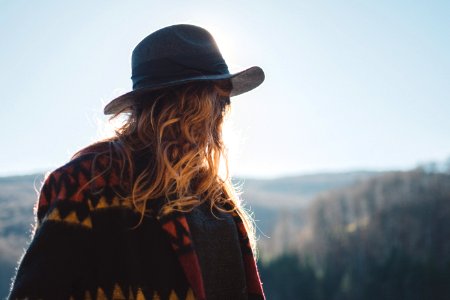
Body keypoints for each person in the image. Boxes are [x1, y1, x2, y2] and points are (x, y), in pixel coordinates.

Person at [8, 24, 265, 300]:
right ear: (185, 103)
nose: (223, 112)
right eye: (218, 99)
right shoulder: (87, 186)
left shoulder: (215, 200)